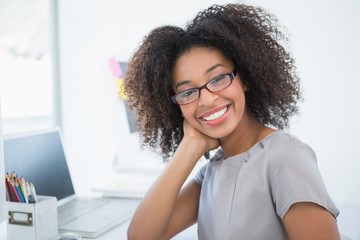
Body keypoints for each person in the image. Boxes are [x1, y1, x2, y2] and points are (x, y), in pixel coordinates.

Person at [124, 3, 340, 240]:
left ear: (244, 78)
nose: (206, 100)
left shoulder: (286, 157)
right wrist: (190, 145)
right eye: (187, 92)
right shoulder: (210, 173)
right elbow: (141, 237)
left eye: (217, 78)